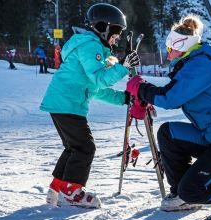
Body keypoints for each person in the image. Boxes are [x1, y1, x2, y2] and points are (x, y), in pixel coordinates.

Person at [125, 15, 211, 214]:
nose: (168, 52)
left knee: (193, 189)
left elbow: (170, 98)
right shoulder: (192, 65)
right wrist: (144, 95)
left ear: (181, 45)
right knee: (168, 133)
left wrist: (141, 88)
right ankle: (183, 195)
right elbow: (170, 94)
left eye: (170, 47)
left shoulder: (201, 65)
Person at [40, 3, 140, 208]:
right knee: (85, 147)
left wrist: (124, 98)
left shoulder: (94, 48)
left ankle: (57, 188)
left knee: (73, 147)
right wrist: (123, 66)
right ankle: (72, 192)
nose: (117, 37)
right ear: (104, 27)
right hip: (67, 104)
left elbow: (97, 89)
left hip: (64, 103)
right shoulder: (90, 46)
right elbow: (99, 79)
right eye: (116, 31)